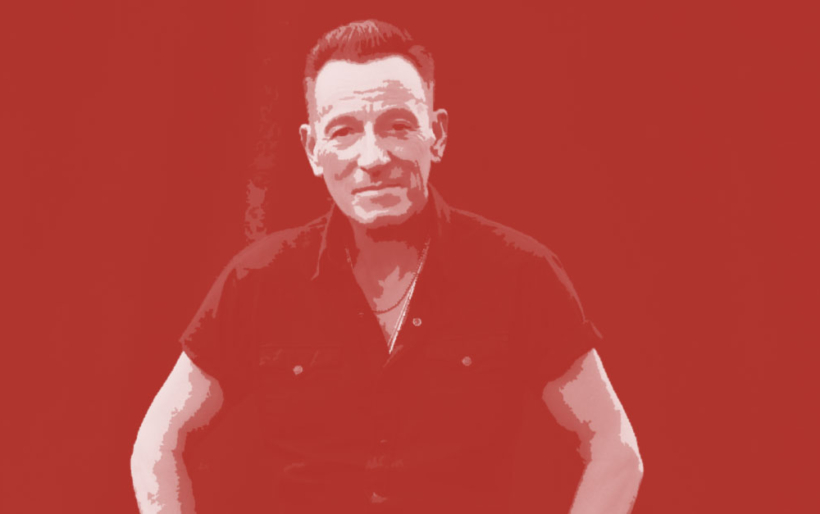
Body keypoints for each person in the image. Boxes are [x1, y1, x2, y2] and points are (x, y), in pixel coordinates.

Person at [131, 19, 643, 514]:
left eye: (398, 126)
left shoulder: (520, 273)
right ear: (313, 149)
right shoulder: (259, 280)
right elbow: (159, 442)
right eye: (344, 131)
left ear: (436, 135)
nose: (373, 157)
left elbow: (613, 445)